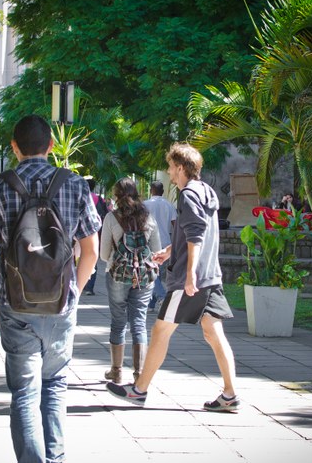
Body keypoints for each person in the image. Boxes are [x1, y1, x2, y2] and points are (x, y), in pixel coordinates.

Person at [0, 114, 100, 463]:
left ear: (14, 147)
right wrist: (73, 289)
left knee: (24, 391)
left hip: (16, 304)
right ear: (51, 146)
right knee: (55, 381)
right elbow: (90, 251)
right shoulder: (74, 185)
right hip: (61, 304)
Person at [106, 142, 240, 413]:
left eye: (170, 167)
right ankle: (230, 394)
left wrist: (189, 274)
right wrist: (169, 251)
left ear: (180, 167)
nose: (168, 172)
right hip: (211, 276)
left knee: (160, 330)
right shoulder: (206, 191)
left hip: (192, 279)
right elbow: (194, 233)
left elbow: (195, 236)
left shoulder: (188, 194)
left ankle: (139, 390)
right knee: (214, 334)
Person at [100, 177, 161, 384]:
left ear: (116, 196)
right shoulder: (148, 216)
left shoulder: (111, 218)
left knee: (118, 322)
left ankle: (116, 371)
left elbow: (103, 254)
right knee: (139, 322)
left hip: (118, 275)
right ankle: (139, 374)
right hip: (144, 276)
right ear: (137, 193)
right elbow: (157, 249)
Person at [143, 180, 176, 312]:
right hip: (166, 243)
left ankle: (162, 296)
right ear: (162, 191)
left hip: (149, 241)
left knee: (150, 272)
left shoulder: (145, 205)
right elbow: (175, 224)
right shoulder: (169, 205)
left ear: (151, 190)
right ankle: (151, 304)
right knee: (157, 273)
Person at [82, 178, 109, 295]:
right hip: (95, 233)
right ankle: (89, 287)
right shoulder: (99, 199)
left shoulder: (80, 196)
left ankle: (81, 284)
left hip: (79, 234)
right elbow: (106, 214)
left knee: (78, 258)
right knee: (93, 259)